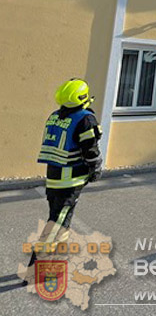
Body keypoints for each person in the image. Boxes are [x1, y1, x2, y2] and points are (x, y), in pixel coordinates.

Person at [34, 78, 103, 258]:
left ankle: (58, 257)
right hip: (70, 178)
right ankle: (37, 267)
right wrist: (95, 169)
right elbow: (90, 149)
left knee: (60, 218)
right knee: (57, 222)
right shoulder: (85, 119)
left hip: (53, 176)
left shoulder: (55, 116)